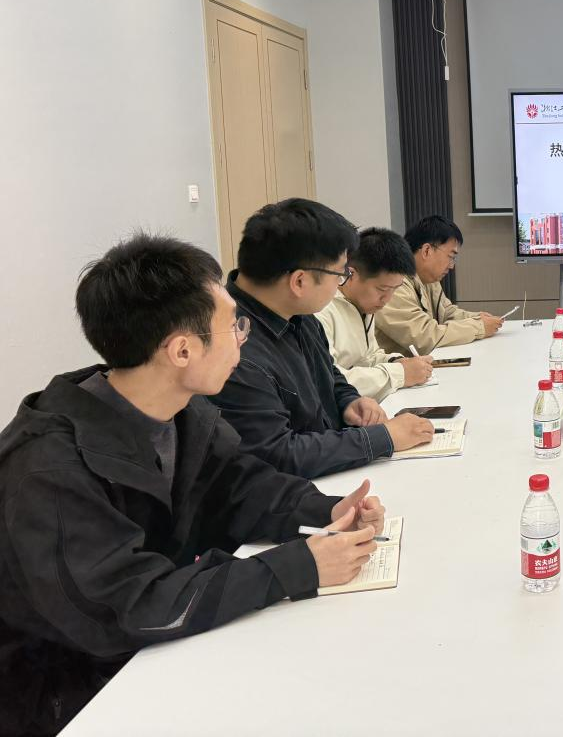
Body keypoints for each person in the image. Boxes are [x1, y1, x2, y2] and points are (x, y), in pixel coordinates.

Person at [0, 234, 385, 735]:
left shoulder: (183, 412)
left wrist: (325, 509)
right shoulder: (48, 468)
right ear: (182, 350)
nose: (243, 339)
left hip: (156, 658)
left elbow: (242, 486)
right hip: (70, 695)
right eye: (234, 325)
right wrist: (295, 567)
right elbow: (130, 605)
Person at [210, 199, 434, 478]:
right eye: (339, 274)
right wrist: (382, 438)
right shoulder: (233, 349)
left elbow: (329, 375)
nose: (342, 283)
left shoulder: (300, 316)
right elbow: (279, 455)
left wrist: (349, 401)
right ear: (299, 281)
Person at [316, 227, 433, 402]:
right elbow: (331, 380)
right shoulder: (322, 310)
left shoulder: (363, 304)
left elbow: (367, 357)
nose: (387, 299)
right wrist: (399, 374)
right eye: (382, 289)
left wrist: (396, 362)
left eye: (394, 289)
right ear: (351, 274)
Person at [375, 214, 505, 355]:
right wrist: (478, 327)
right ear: (427, 251)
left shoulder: (428, 279)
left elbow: (447, 313)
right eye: (451, 256)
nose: (452, 265)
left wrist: (477, 318)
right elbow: (424, 337)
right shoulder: (393, 284)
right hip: (400, 366)